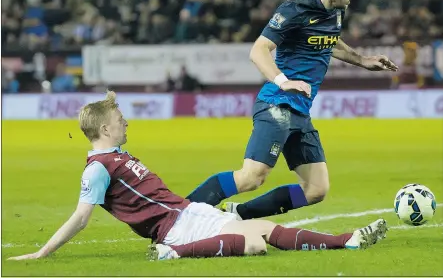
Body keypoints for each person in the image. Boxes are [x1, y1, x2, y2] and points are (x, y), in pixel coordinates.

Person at [8, 91, 388, 261]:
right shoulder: (97, 170)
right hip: (175, 229)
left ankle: (346, 241)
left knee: (265, 230)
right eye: (118, 120)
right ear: (104, 130)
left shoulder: (116, 154)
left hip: (188, 212)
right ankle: (172, 254)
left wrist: (107, 103)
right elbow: (81, 217)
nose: (124, 122)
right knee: (255, 244)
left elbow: (107, 129)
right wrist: (43, 252)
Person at [186, 0, 399, 220]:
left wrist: (363, 61)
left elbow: (330, 40)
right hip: (277, 103)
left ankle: (238, 214)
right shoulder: (294, 9)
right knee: (252, 177)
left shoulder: (335, 10)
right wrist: (283, 81)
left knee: (316, 189)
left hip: (300, 111)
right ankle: (176, 215)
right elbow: (259, 50)